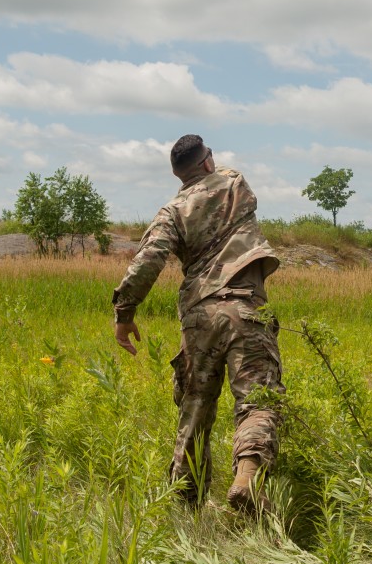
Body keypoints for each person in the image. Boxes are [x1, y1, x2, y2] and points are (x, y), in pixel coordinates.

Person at [112, 134, 284, 512]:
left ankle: (186, 501)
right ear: (207, 162)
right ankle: (248, 473)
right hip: (245, 308)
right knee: (257, 400)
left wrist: (125, 314)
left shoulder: (170, 211)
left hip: (199, 317)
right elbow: (215, 172)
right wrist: (207, 159)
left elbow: (148, 260)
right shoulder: (234, 181)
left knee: (195, 407)